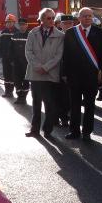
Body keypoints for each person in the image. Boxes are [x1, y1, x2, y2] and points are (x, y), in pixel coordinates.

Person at [62, 7, 102, 141]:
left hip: (92, 76)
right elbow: (66, 55)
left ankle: (87, 132)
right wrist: (64, 73)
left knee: (89, 105)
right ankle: (74, 131)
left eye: (89, 16)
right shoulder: (71, 33)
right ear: (79, 18)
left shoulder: (100, 33)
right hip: (74, 76)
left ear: (92, 17)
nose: (87, 18)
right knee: (75, 105)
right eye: (84, 16)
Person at [24, 8, 65, 138]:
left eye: (53, 18)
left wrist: (45, 68)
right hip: (35, 74)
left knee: (50, 104)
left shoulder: (60, 35)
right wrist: (37, 66)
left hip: (50, 75)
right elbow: (28, 51)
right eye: (49, 18)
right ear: (41, 20)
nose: (52, 20)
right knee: (36, 103)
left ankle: (47, 129)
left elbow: (58, 56)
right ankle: (34, 130)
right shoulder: (33, 33)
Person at [56, 14, 75, 127]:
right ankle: (57, 117)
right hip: (56, 70)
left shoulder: (77, 36)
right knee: (57, 95)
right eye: (65, 23)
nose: (68, 25)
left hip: (71, 72)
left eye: (70, 23)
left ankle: (65, 117)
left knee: (68, 97)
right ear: (61, 24)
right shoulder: (56, 36)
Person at [10, 18, 30, 105]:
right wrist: (11, 60)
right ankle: (19, 96)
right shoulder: (15, 35)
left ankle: (24, 97)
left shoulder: (30, 35)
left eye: (23, 24)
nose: (22, 26)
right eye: (20, 25)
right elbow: (11, 48)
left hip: (27, 62)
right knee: (17, 80)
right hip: (16, 62)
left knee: (26, 80)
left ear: (27, 25)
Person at [0, 13, 18, 98]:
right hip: (5, 58)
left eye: (10, 22)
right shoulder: (4, 32)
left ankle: (11, 91)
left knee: (12, 75)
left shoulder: (17, 32)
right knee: (6, 75)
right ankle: (7, 91)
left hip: (13, 59)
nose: (8, 23)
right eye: (7, 22)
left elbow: (18, 47)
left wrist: (15, 58)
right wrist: (1, 55)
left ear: (14, 23)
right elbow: (1, 45)